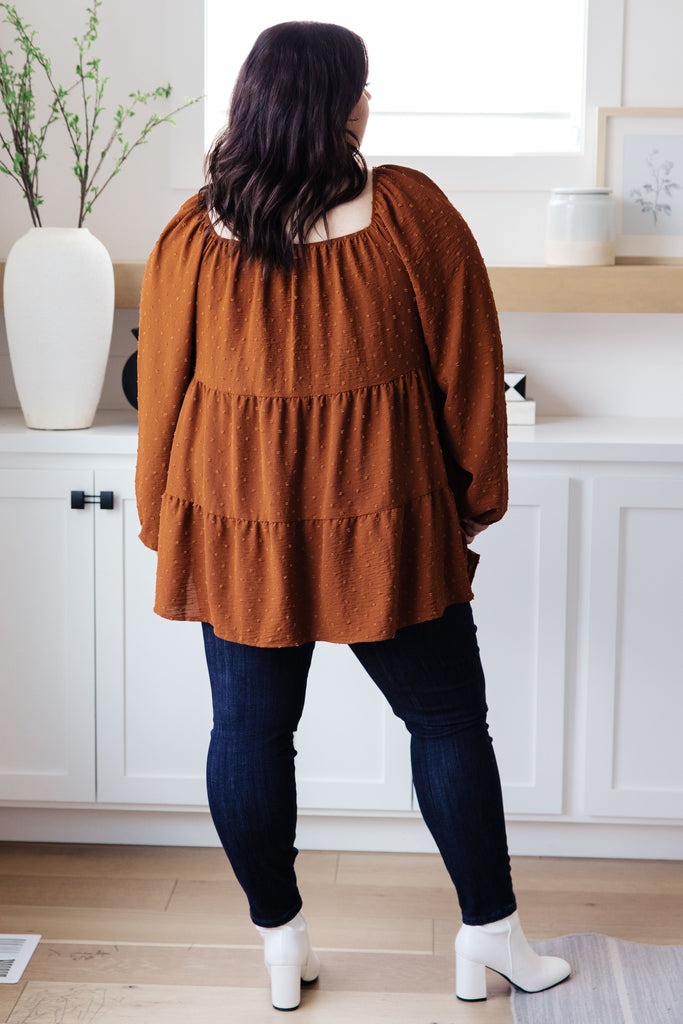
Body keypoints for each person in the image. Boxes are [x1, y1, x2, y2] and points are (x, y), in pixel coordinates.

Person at [135, 21, 571, 1012]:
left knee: (248, 734)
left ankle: (280, 944)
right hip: (386, 510)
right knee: (447, 721)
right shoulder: (408, 212)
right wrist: (472, 499)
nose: (370, 105)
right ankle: (490, 936)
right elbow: (469, 367)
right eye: (363, 89)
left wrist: (166, 513)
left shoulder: (192, 233)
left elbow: (161, 388)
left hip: (240, 515)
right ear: (341, 106)